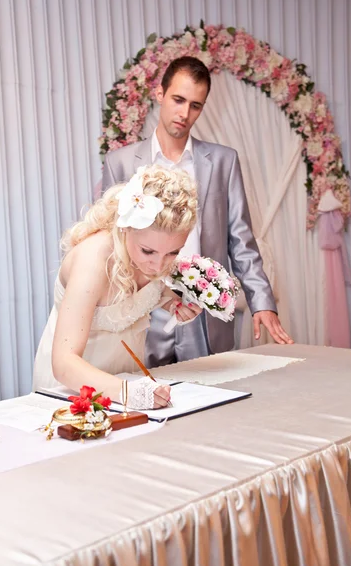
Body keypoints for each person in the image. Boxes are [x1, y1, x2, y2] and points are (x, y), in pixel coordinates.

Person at [102, 56, 293, 367]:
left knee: (215, 405)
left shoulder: (223, 161)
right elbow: (111, 245)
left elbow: (241, 241)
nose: (185, 113)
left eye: (195, 105)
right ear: (159, 94)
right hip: (144, 314)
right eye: (178, 99)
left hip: (205, 316)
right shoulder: (120, 163)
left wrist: (262, 303)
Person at [32, 164, 201, 410]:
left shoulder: (152, 255)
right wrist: (129, 393)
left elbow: (142, 295)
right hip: (73, 387)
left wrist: (171, 302)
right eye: (148, 251)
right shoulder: (92, 261)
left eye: (173, 252)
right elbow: (64, 363)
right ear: (124, 228)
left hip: (126, 378)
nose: (158, 265)